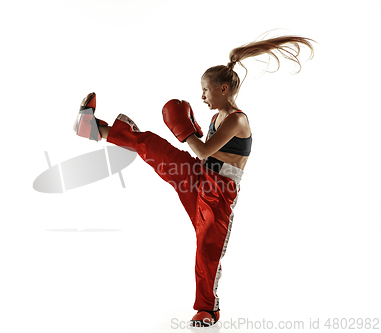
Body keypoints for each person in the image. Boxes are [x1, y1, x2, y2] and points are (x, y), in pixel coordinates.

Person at [73, 34, 315, 327]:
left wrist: (184, 129)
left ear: (223, 89)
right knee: (154, 146)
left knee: (206, 249)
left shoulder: (237, 120)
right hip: (198, 175)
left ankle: (207, 309)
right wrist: (191, 132)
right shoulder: (215, 119)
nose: (201, 96)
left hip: (219, 192)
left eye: (205, 90)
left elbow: (200, 149)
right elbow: (201, 154)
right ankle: (93, 128)